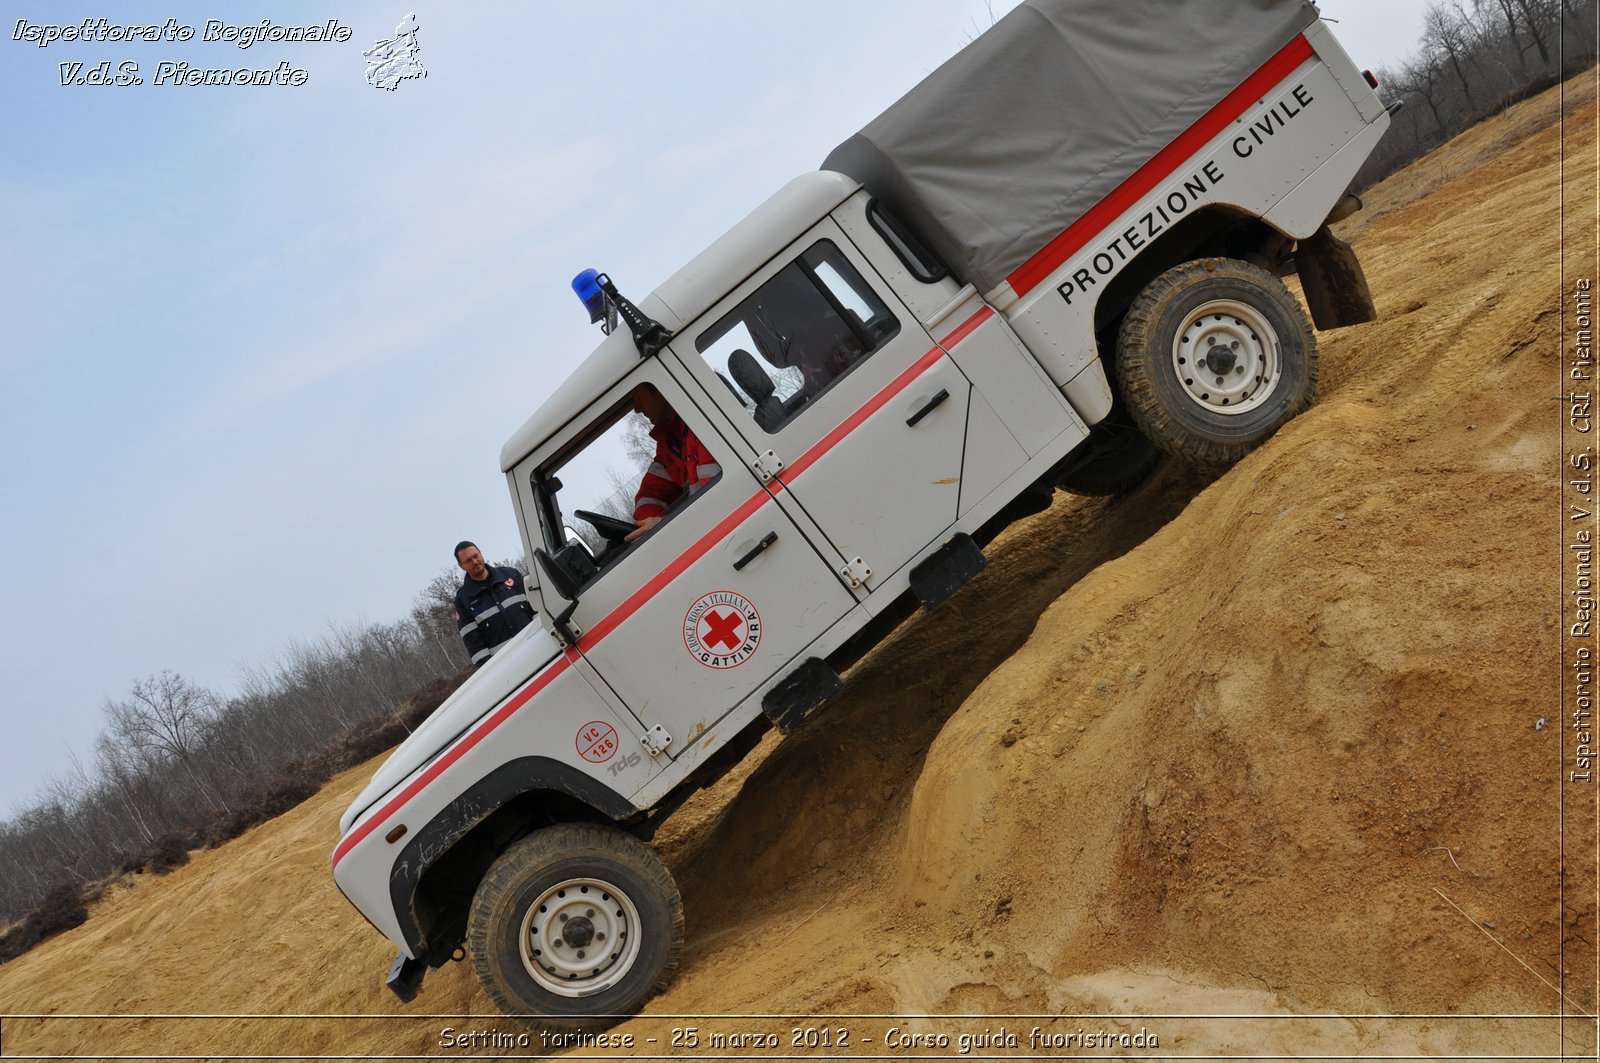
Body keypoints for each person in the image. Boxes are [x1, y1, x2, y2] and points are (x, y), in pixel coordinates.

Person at [627, 388, 721, 541]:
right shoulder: (672, 438)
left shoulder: (703, 424)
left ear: (659, 389)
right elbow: (650, 494)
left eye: (638, 398)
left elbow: (719, 497)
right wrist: (648, 523)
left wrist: (665, 524)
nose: (637, 409)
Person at [452, 541, 536, 667]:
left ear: (481, 553)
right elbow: (475, 647)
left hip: (539, 647)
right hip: (509, 666)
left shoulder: (511, 575)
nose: (475, 562)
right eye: (468, 560)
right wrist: (493, 670)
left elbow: (537, 607)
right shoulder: (463, 600)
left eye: (476, 556)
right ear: (461, 565)